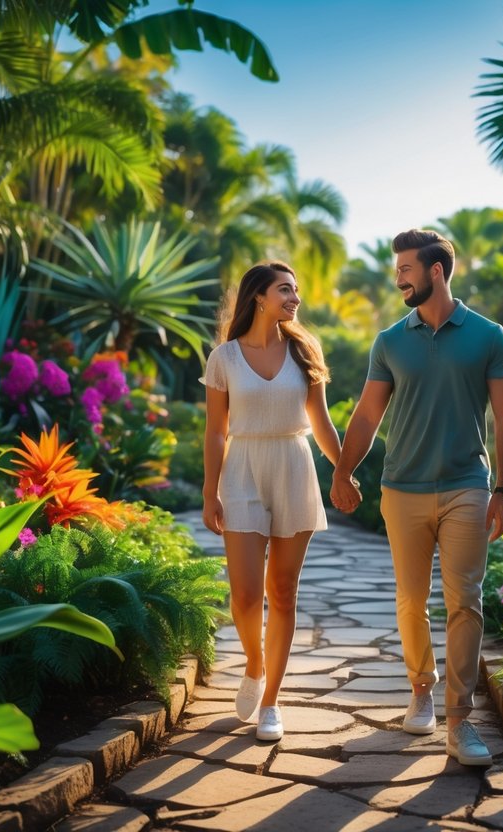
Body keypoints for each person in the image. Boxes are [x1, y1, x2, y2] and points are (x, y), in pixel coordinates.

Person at [330, 228, 503, 766]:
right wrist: (344, 472)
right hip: (403, 489)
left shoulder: (488, 335)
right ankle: (420, 689)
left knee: (465, 601)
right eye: (397, 271)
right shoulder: (390, 341)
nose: (398, 279)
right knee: (412, 600)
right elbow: (367, 415)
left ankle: (460, 721)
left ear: (436, 271)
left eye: (406, 270)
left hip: (467, 485)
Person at [202, 260, 343, 742]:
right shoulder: (224, 358)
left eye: (297, 290)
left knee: (282, 591)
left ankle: (271, 702)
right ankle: (254, 664)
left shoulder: (304, 350)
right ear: (259, 296)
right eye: (286, 289)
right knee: (243, 594)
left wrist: (343, 471)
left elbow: (321, 423)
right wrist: (209, 491)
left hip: (294, 465)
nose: (295, 297)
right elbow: (216, 432)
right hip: (242, 469)